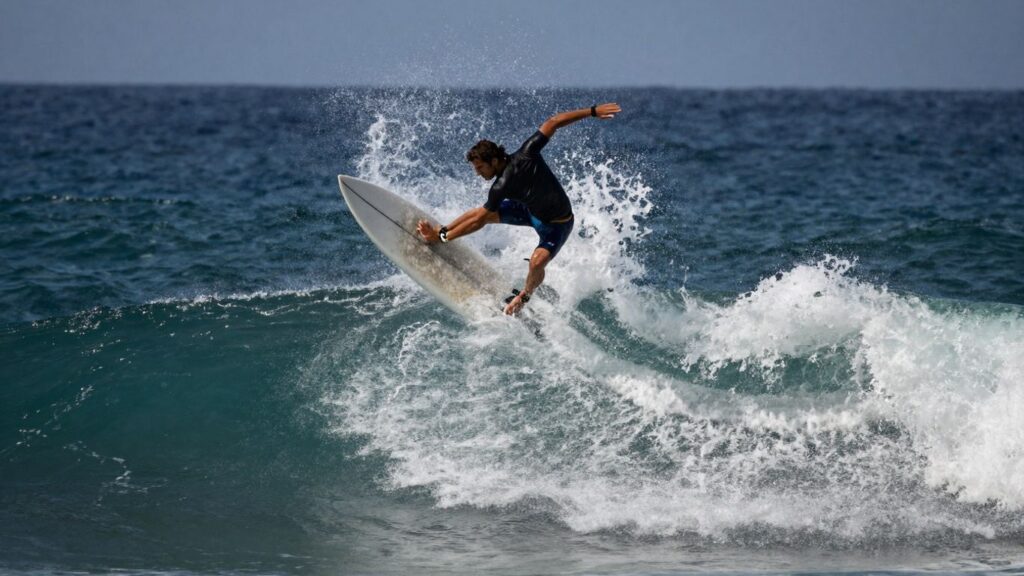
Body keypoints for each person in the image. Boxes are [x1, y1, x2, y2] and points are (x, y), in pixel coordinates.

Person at [417, 103, 621, 315]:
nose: (477, 173)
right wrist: (444, 235)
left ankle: (524, 296)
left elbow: (554, 122)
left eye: (480, 167)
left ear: (494, 160)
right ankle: (442, 230)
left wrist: (592, 111)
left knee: (536, 262)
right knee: (483, 212)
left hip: (557, 225)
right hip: (528, 211)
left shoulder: (525, 156)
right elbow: (480, 217)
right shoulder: (504, 180)